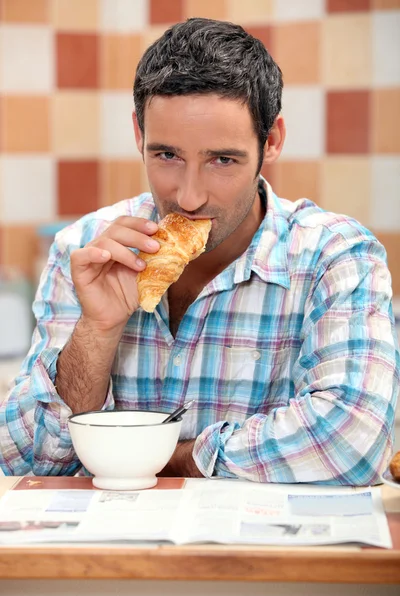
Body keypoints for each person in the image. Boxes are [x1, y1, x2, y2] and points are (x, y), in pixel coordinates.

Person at [0, 18, 398, 485]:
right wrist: (97, 329)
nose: (188, 197)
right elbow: (25, 462)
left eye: (222, 160)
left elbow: (353, 443)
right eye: (167, 155)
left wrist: (165, 459)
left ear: (271, 142)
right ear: (138, 134)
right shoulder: (84, 248)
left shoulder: (335, 256)